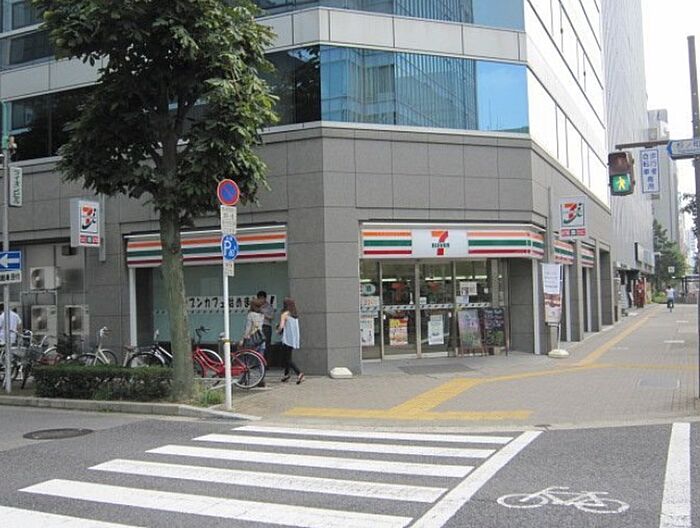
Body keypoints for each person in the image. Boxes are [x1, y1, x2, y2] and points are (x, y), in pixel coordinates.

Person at [239, 298, 267, 387]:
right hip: (260, 340)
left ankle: (243, 378)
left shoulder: (250, 315)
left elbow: (248, 328)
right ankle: (261, 379)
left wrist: (243, 339)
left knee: (246, 361)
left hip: (251, 340)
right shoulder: (262, 315)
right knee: (260, 361)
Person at [277, 297, 304, 384]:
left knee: (287, 358)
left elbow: (281, 326)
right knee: (287, 356)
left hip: (287, 339)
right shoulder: (294, 315)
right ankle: (286, 375)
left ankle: (299, 373)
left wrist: (278, 330)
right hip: (293, 339)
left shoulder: (284, 314)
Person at [257, 290, 274, 357]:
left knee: (267, 345)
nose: (261, 300)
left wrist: (263, 314)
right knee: (258, 345)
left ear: (265, 298)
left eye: (262, 298)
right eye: (259, 298)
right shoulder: (256, 306)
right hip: (258, 327)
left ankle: (266, 361)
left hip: (266, 327)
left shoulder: (269, 307)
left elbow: (272, 317)